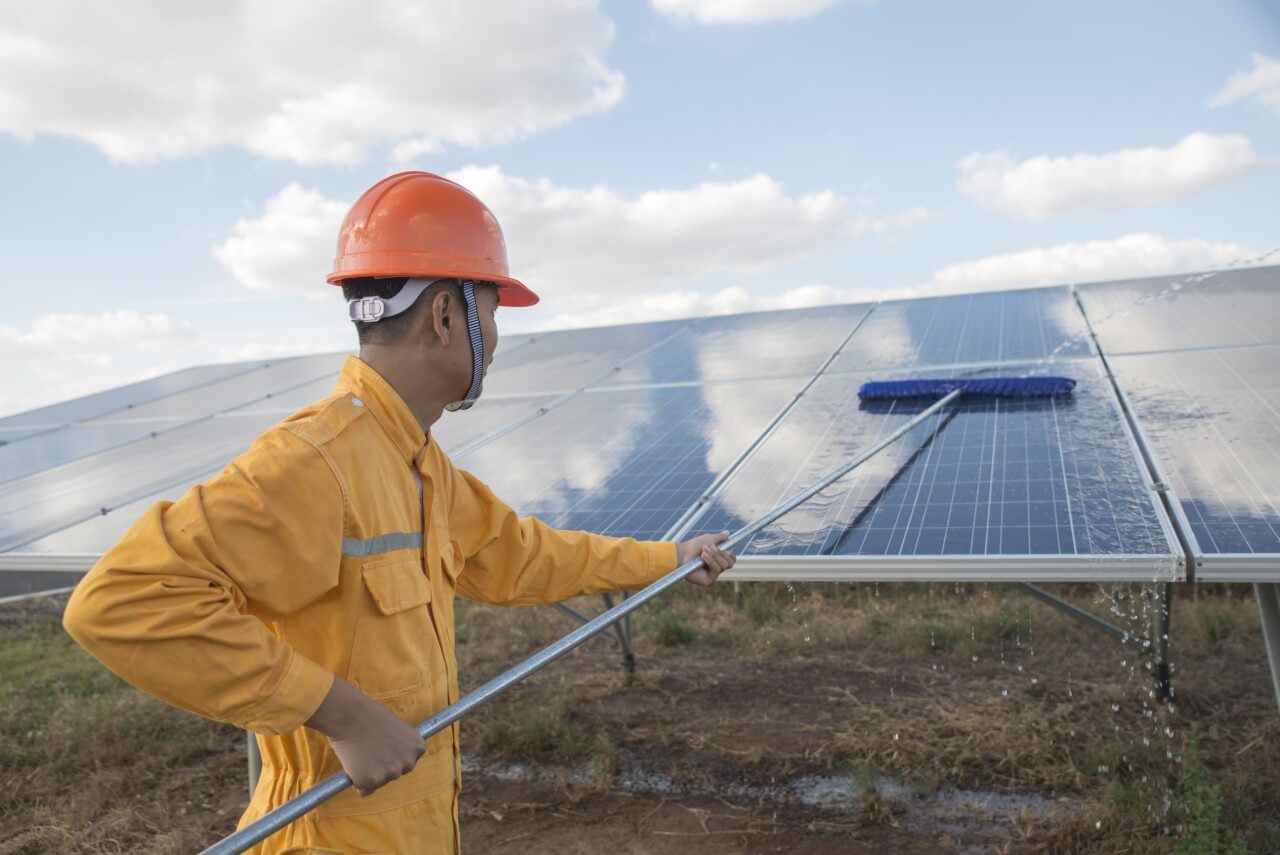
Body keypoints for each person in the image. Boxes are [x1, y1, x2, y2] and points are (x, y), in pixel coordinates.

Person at [62, 171, 736, 854]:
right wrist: (343, 714)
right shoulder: (312, 463)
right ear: (445, 315)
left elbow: (529, 554)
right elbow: (117, 601)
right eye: (494, 309)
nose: (499, 338)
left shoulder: (421, 464)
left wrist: (669, 559)